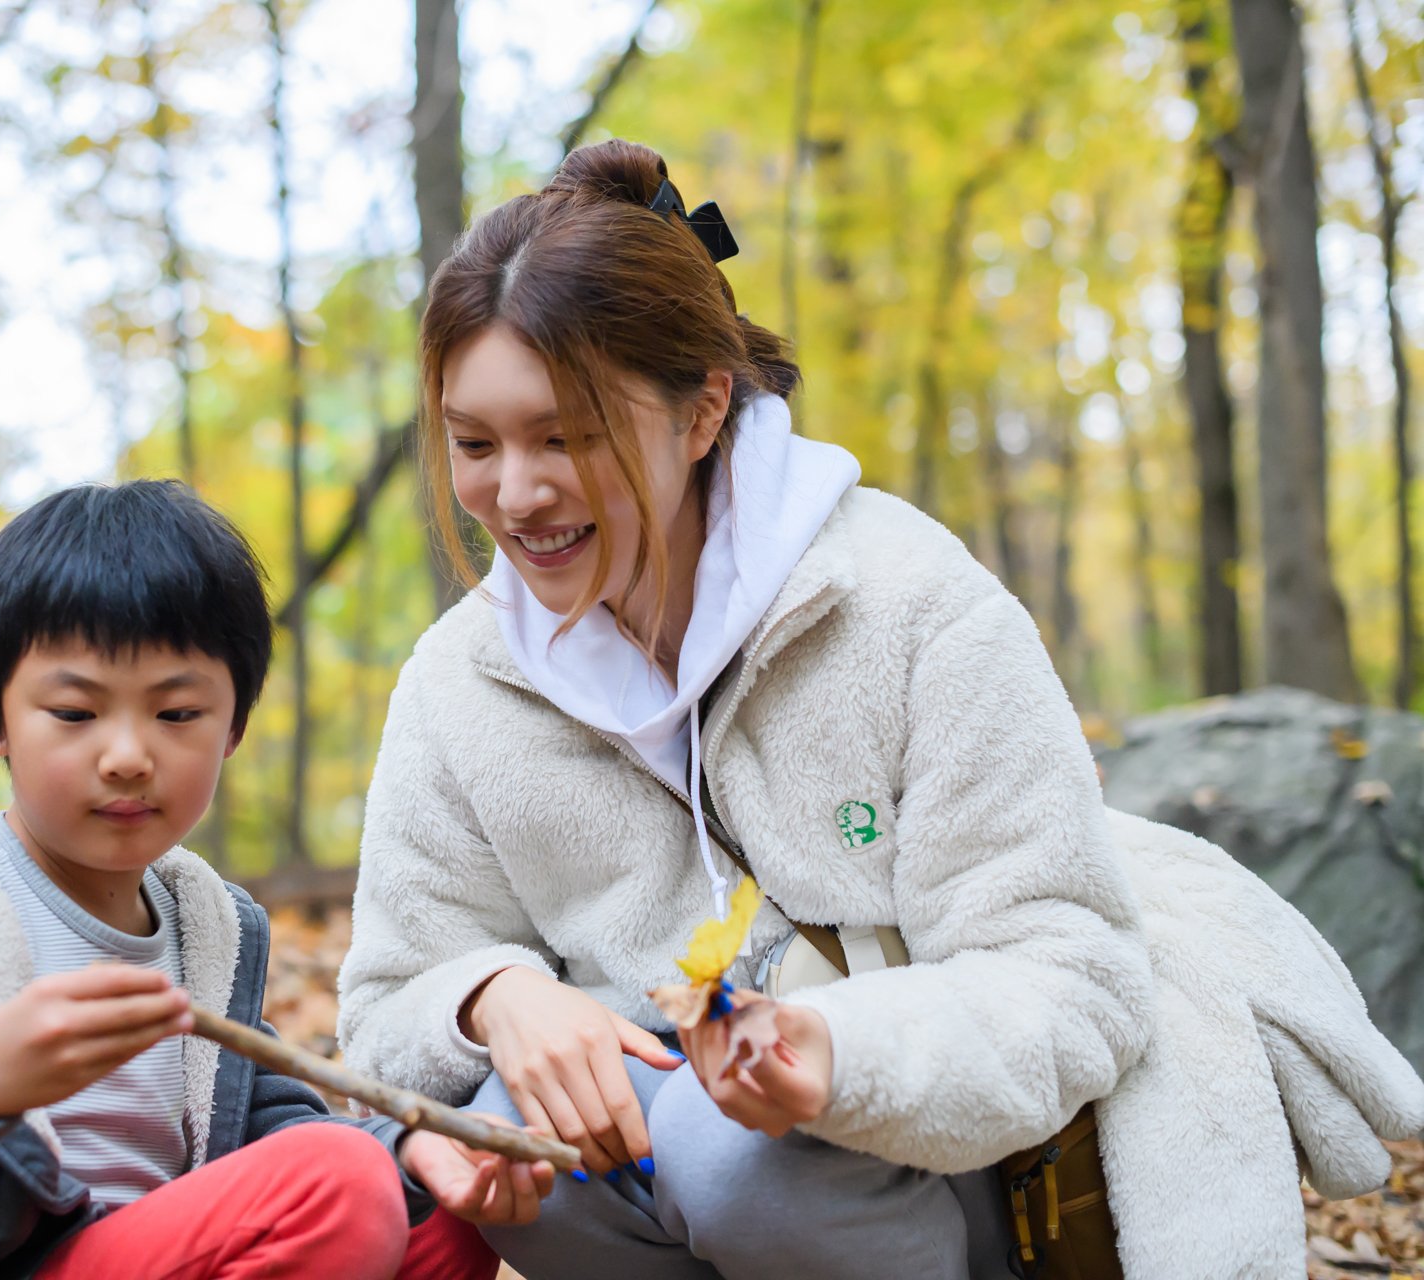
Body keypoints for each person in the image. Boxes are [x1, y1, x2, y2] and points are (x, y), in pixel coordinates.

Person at [335, 138, 1424, 1280]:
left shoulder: (906, 600)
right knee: (520, 1123)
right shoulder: (462, 681)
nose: (514, 493)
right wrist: (490, 996)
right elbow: (386, 1003)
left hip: (944, 1164)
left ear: (703, 411)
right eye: (475, 442)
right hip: (671, 1178)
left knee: (737, 1155)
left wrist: (837, 1054)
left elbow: (1068, 972)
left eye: (568, 435)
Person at [0, 479, 548, 1280]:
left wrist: (406, 1143)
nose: (127, 755)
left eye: (175, 715)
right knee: (339, 1189)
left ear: (232, 727)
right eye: (74, 713)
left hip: (156, 1251)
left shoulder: (203, 934)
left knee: (445, 1198)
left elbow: (282, 1128)